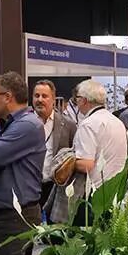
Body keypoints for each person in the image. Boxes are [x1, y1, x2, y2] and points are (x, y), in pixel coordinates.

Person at [0, 72, 45, 255]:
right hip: (3, 215)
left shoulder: (27, 125)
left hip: (15, 217)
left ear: (7, 97)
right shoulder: (2, 126)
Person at [70, 80, 128, 225]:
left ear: (84, 100)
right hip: (116, 192)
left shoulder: (88, 124)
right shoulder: (117, 122)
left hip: (94, 196)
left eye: (77, 99)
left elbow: (86, 165)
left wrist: (66, 161)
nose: (76, 103)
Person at [32, 80, 77, 211]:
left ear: (53, 99)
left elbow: (74, 154)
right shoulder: (23, 123)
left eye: (44, 96)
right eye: (36, 96)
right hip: (30, 185)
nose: (40, 100)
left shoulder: (68, 124)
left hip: (55, 187)